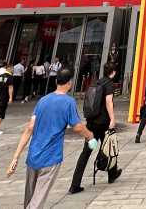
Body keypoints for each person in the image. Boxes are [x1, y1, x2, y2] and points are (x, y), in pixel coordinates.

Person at [6, 68, 96, 209]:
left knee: (29, 198)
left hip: (33, 156)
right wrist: (90, 136)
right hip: (50, 157)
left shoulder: (43, 100)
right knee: (37, 201)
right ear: (70, 83)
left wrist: (15, 157)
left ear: (56, 81)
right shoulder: (68, 102)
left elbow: (29, 128)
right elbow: (77, 127)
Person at [70, 63, 121, 192]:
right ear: (113, 72)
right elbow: (109, 102)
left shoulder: (96, 83)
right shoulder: (109, 84)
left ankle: (75, 184)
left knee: (86, 152)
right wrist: (112, 119)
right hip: (103, 124)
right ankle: (111, 173)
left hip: (91, 123)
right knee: (108, 147)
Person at [0, 61, 14, 135]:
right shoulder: (10, 77)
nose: (13, 70)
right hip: (4, 97)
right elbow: (10, 88)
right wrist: (10, 97)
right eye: (12, 68)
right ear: (9, 68)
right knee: (0, 114)